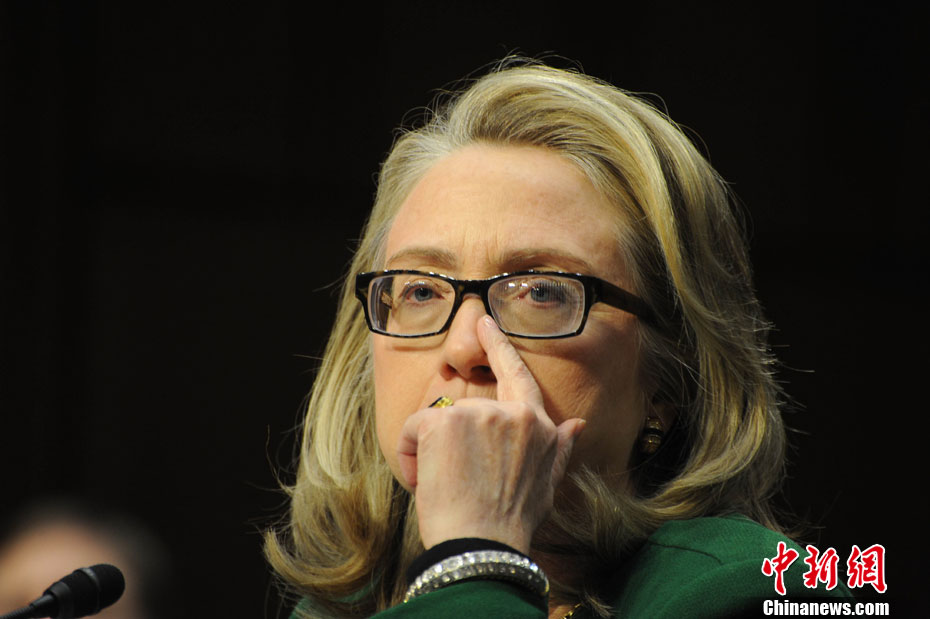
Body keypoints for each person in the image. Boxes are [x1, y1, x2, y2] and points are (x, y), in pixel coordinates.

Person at [264, 59, 854, 618]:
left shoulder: (763, 589)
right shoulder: (336, 609)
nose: (465, 349)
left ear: (666, 382)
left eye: (541, 292)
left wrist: (476, 559)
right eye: (421, 291)